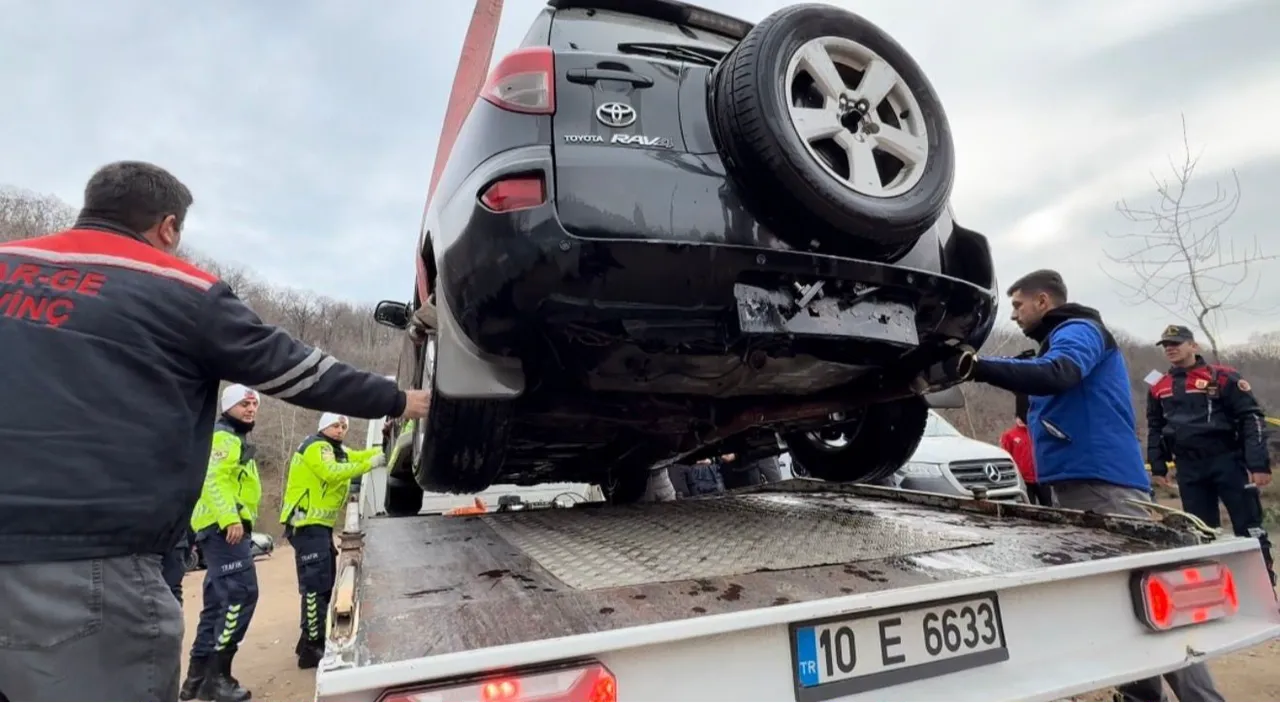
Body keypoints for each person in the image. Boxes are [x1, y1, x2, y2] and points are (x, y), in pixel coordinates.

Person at [0, 160, 430, 702]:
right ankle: (209, 679)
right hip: (85, 563)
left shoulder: (7, 263)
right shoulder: (176, 288)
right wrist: (400, 400)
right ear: (168, 226)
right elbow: (297, 370)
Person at [942, 269, 1223, 703]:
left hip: (1104, 482)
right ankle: (1142, 697)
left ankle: (1202, 700)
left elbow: (1059, 373)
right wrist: (976, 367)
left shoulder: (1079, 330)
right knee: (1112, 602)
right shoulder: (1055, 341)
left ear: (1042, 301)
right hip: (1077, 483)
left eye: (1018, 305)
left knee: (1150, 599)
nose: (1014, 314)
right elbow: (1033, 369)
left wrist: (979, 368)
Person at [1146, 324, 1273, 585]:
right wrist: (1158, 466)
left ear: (1193, 345)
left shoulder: (1223, 377)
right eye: (1166, 345)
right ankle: (1214, 589)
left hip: (1228, 460)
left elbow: (1251, 419)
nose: (1171, 348)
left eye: (1177, 343)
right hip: (1189, 467)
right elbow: (1155, 427)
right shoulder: (1159, 385)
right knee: (1201, 533)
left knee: (1249, 528)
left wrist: (1258, 464)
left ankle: (1264, 587)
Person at [281, 412, 386, 669]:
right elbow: (331, 473)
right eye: (335, 425)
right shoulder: (317, 447)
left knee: (323, 585)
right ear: (323, 427)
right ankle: (310, 647)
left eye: (343, 426)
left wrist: (381, 453)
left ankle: (308, 639)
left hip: (319, 528)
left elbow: (357, 456)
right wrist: (371, 464)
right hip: (306, 525)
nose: (340, 430)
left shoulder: (335, 449)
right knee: (315, 588)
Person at [180, 385, 263, 703]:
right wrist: (230, 518)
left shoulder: (232, 437)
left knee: (217, 604)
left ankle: (196, 680)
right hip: (223, 529)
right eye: (244, 404)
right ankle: (218, 677)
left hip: (215, 528)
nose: (251, 409)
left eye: (254, 404)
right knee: (241, 595)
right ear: (228, 407)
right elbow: (213, 477)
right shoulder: (225, 437)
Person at [1000, 394, 1051, 505]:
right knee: (1028, 507)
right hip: (1024, 480)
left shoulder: (1038, 431)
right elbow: (1006, 457)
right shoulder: (1009, 435)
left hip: (1042, 478)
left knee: (1048, 506)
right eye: (1019, 416)